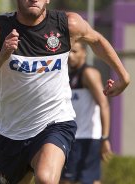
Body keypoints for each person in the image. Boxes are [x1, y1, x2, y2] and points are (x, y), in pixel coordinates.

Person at [0, 0, 130, 183]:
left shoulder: (67, 24)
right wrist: (2, 56)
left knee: (46, 179)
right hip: (11, 133)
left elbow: (97, 40)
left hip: (55, 124)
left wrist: (124, 76)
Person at [60, 41, 113, 184]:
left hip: (87, 138)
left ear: (84, 52)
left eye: (75, 51)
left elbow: (104, 105)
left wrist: (105, 138)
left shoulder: (89, 73)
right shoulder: (67, 76)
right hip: (71, 138)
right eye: (68, 52)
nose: (71, 56)